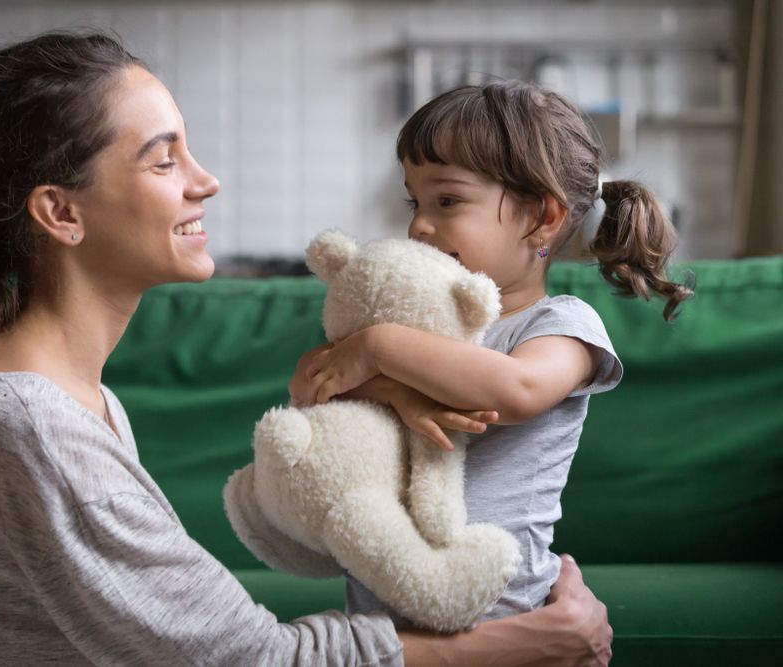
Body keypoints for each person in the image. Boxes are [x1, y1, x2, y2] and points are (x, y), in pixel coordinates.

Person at [0, 33, 612, 666]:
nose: (207, 180)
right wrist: (526, 643)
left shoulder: (64, 401)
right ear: (60, 212)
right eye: (165, 157)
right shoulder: (28, 423)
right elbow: (252, 660)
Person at [290, 80, 693, 626]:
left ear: (542, 219)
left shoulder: (561, 326)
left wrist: (381, 350)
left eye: (447, 200)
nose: (418, 224)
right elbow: (312, 384)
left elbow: (516, 391)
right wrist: (394, 391)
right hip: (379, 617)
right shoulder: (407, 325)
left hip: (503, 612)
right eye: (416, 200)